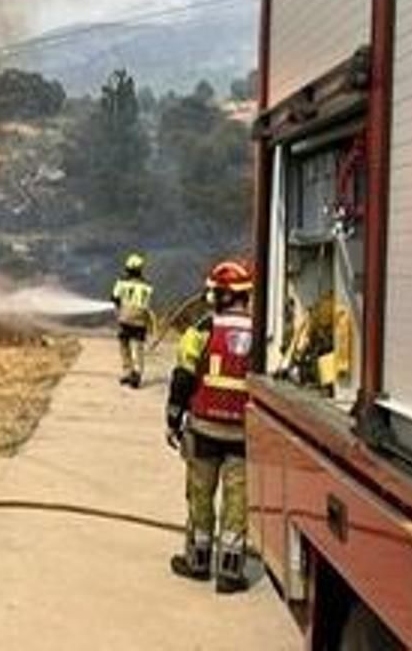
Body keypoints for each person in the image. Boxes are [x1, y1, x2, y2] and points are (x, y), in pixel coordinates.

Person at [166, 259, 256, 594]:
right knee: (237, 502)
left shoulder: (202, 329)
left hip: (203, 431)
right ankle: (231, 573)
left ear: (220, 294)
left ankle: (198, 562)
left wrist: (173, 419)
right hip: (244, 436)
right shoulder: (265, 332)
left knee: (200, 497)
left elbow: (183, 377)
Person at [109, 253, 155, 388]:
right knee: (138, 347)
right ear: (140, 269)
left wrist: (119, 305)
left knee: (124, 345)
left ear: (128, 269)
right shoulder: (147, 286)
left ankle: (127, 372)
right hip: (140, 321)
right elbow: (147, 304)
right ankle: (137, 374)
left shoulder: (121, 282)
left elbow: (114, 298)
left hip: (124, 319)